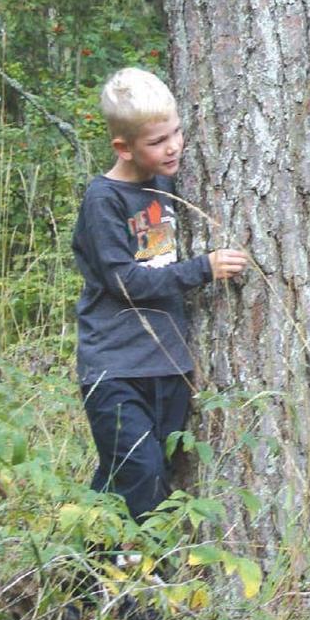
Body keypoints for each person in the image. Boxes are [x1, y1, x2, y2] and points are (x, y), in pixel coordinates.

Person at [72, 68, 248, 529]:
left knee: (140, 475)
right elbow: (125, 281)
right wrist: (202, 269)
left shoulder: (165, 183)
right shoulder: (103, 199)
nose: (172, 147)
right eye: (157, 141)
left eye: (176, 133)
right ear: (123, 148)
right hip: (114, 370)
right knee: (140, 474)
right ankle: (123, 588)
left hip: (168, 367)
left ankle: (84, 584)